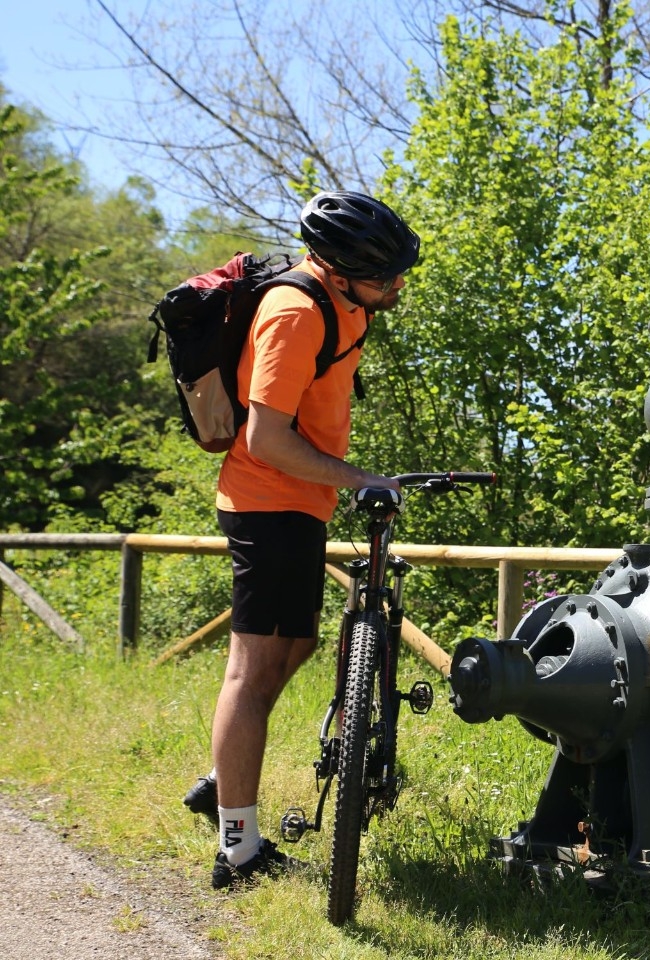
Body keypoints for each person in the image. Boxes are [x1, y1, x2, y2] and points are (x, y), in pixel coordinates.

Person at [182, 190, 421, 890]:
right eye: (386, 275)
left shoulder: (345, 304)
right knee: (252, 674)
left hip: (296, 507)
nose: (397, 286)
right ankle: (239, 850)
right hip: (267, 503)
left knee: (298, 644)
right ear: (339, 268)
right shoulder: (294, 312)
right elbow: (267, 439)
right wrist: (360, 477)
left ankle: (225, 778)